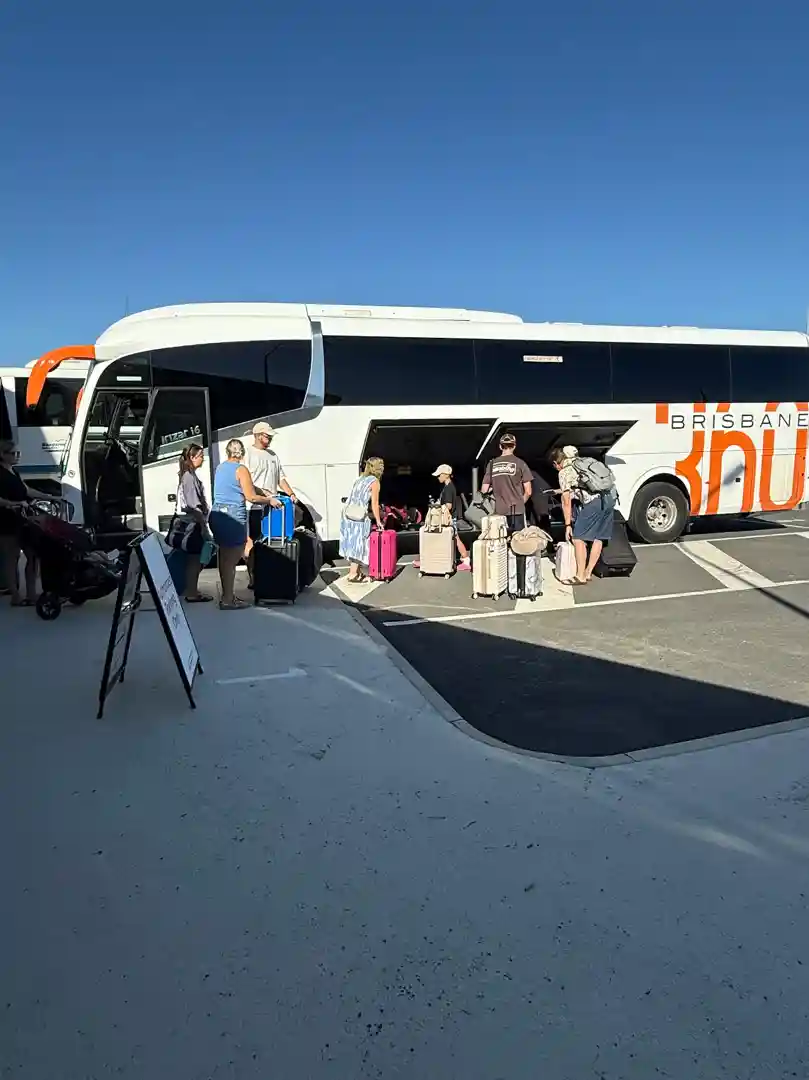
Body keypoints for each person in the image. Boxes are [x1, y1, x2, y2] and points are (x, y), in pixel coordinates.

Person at [209, 439, 276, 610]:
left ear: (227, 452)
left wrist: (261, 491)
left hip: (217, 514)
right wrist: (269, 500)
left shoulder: (221, 467)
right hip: (233, 517)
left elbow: (245, 487)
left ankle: (227, 595)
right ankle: (228, 600)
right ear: (242, 453)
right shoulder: (241, 469)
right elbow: (251, 497)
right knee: (231, 560)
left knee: (224, 558)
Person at [0, 440, 61, 606]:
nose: (17, 456)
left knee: (33, 556)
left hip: (24, 519)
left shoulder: (14, 471)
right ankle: (15, 595)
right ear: (2, 455)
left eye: (18, 453)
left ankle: (32, 593)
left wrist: (50, 497)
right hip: (6, 521)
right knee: (11, 559)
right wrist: (13, 504)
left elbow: (27, 491)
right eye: (13, 453)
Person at [243, 422, 298, 588]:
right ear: (258, 435)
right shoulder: (248, 454)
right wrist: (263, 494)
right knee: (252, 542)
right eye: (268, 436)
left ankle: (268, 575)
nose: (270, 439)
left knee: (271, 541)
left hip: (272, 506)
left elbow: (281, 478)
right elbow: (247, 482)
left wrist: (291, 494)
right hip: (254, 507)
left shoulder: (273, 455)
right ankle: (253, 577)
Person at [551, 444, 616, 583]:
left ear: (556, 463)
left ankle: (580, 575)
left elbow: (566, 502)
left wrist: (568, 524)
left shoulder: (564, 472)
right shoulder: (585, 463)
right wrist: (560, 490)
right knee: (598, 537)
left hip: (594, 504)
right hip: (610, 499)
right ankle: (587, 573)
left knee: (578, 538)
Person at [176, 443, 213, 603]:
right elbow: (194, 505)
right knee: (195, 559)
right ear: (192, 457)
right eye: (200, 457)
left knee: (195, 558)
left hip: (192, 522)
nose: (203, 460)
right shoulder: (189, 478)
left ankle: (192, 589)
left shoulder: (188, 475)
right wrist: (204, 526)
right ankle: (192, 592)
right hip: (193, 523)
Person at [415, 464, 471, 571]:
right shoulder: (448, 487)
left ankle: (465, 559)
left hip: (448, 518)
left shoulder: (449, 488)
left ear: (446, 475)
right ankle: (465, 559)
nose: (438, 477)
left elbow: (448, 506)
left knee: (443, 537)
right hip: (450, 518)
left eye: (439, 475)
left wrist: (438, 508)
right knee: (453, 538)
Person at [339, 457, 384, 583]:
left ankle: (356, 572)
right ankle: (353, 574)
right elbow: (374, 504)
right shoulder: (374, 482)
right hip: (359, 515)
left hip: (348, 513)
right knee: (360, 543)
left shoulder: (359, 479)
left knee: (351, 542)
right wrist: (379, 521)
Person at [481, 433, 533, 531]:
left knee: (500, 541)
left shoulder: (491, 464)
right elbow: (529, 491)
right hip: (516, 510)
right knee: (517, 542)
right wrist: (520, 503)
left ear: (500, 446)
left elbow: (484, 490)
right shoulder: (520, 463)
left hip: (499, 512)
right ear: (514, 446)